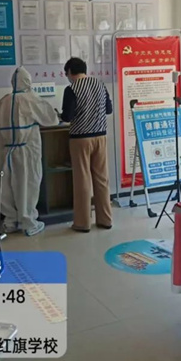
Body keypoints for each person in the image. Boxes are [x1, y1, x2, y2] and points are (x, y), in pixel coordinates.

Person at [0, 67, 59, 236]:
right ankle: (28, 222)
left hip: (7, 149)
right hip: (27, 149)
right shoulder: (30, 99)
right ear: (28, 81)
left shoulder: (3, 101)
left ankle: (10, 221)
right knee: (27, 185)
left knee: (7, 188)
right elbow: (51, 119)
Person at [61, 57, 113, 232]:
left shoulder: (71, 89)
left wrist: (60, 115)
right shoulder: (100, 84)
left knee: (82, 179)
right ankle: (105, 220)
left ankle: (82, 223)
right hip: (100, 136)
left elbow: (67, 117)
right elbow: (108, 110)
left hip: (80, 138)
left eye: (66, 73)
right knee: (102, 179)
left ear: (70, 72)